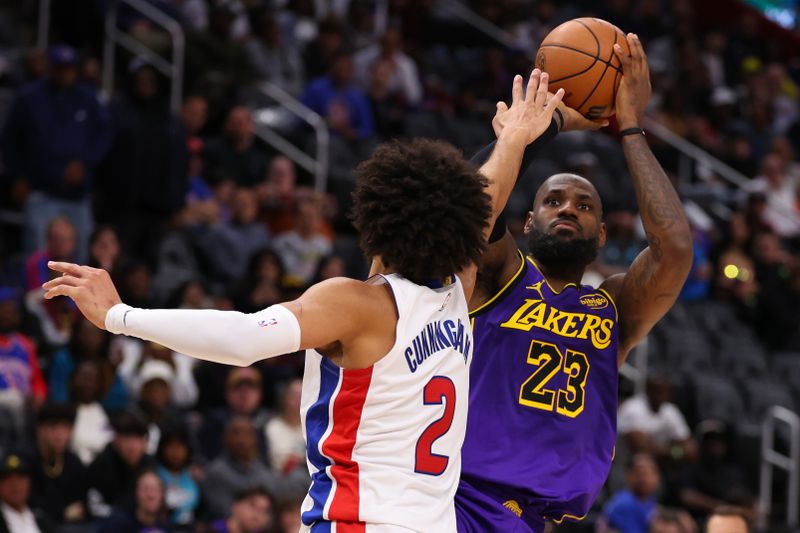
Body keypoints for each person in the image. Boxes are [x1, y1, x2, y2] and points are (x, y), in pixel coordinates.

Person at [41, 70, 565, 531]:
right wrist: (521, 137)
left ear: (375, 224)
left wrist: (119, 315)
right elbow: (485, 199)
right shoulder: (458, 289)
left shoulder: (359, 305)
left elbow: (244, 339)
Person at [455, 34, 693, 532]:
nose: (568, 208)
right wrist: (539, 128)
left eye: (584, 206)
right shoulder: (500, 277)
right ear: (527, 222)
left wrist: (630, 128)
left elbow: (673, 251)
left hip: (540, 520)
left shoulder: (614, 307)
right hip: (465, 502)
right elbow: (465, 207)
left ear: (603, 234)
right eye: (554, 200)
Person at [28, 403, 88, 526]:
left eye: (66, 427)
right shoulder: (26, 461)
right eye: (53, 426)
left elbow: (82, 503)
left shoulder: (73, 462)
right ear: (40, 429)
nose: (60, 434)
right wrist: (61, 513)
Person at [601, 454, 661, 533]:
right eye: (640, 474)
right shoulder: (624, 504)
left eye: (650, 473)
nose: (645, 479)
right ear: (628, 476)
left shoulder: (648, 500)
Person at [0, 453, 54, 533]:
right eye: (8, 479)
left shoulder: (42, 518)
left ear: (29, 482)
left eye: (20, 478)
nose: (15, 485)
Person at [210, 487, 276, 533]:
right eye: (252, 505)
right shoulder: (211, 530)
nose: (258, 514)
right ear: (236, 506)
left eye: (264, 511)